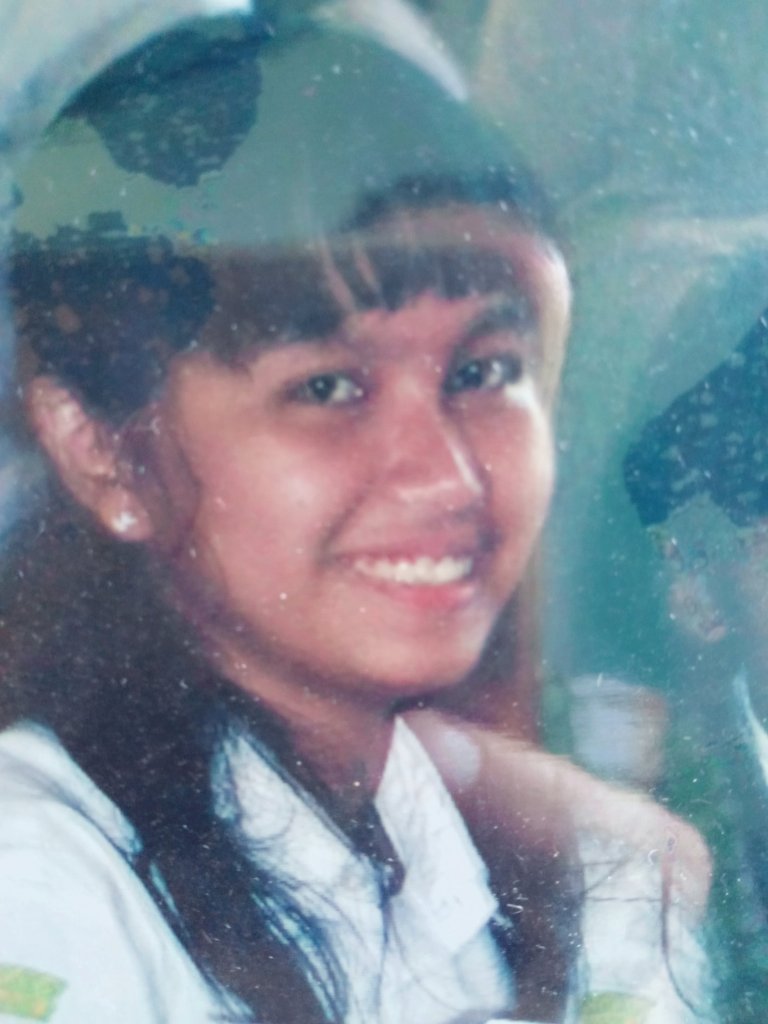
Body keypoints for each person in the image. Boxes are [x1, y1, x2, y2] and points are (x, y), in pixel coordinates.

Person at [0, 5, 711, 1023]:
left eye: (483, 370)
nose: (448, 478)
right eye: (328, 387)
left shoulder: (518, 844)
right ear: (102, 449)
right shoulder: (40, 892)